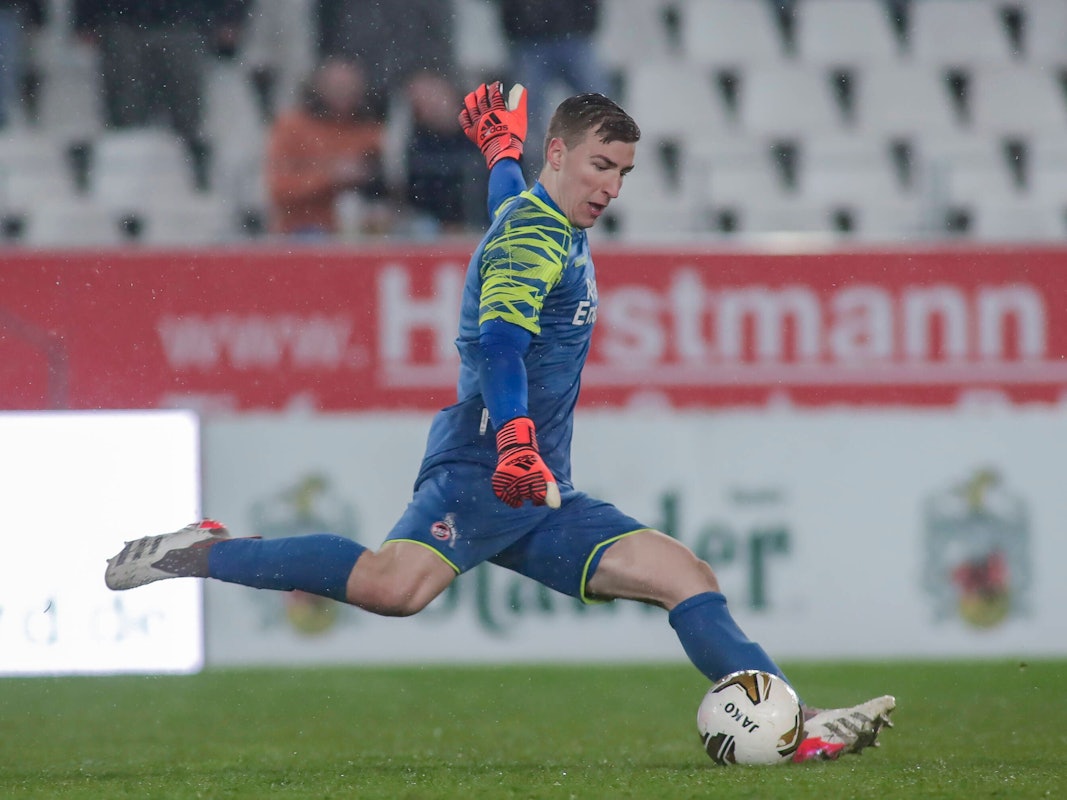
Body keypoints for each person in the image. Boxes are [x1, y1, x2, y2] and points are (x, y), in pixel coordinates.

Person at [105, 81, 894, 763]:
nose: (611, 186)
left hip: (538, 481)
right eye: (598, 165)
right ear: (559, 153)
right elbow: (500, 347)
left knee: (682, 576)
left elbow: (510, 210)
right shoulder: (532, 238)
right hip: (488, 467)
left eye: (622, 172)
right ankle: (200, 551)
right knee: (392, 588)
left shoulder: (536, 213)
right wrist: (515, 441)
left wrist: (498, 159)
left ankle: (796, 721)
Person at [72, 0, 251, 190]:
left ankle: (196, 190)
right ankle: (126, 193)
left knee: (188, 121)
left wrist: (230, 17)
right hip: (122, 20)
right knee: (126, 124)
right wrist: (85, 18)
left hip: (185, 20)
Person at [263, 57, 387, 238]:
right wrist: (331, 176)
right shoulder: (292, 127)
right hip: (302, 228)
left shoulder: (370, 131)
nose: (344, 95)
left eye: (350, 88)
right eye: (337, 88)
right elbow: (278, 188)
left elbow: (392, 184)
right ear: (319, 87)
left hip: (361, 228)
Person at [495, 0, 611, 172]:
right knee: (526, 118)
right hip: (529, 38)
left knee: (603, 111)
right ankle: (538, 176)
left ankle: (598, 169)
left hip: (571, 33)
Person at [402, 71, 485, 236]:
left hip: (482, 218)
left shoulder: (480, 129)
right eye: (421, 104)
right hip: (434, 224)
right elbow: (417, 193)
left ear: (450, 94)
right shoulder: (418, 143)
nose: (430, 106)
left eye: (433, 98)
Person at [0, 0, 45, 129]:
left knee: (9, 66)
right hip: (11, 12)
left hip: (10, 12)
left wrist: (37, 14)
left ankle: (7, 110)